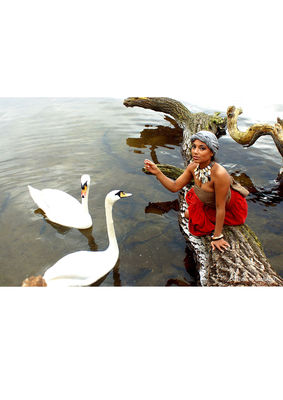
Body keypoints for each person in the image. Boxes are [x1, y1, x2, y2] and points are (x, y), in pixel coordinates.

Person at [144, 130, 248, 252]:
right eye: (194, 147)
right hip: (209, 199)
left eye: (202, 148)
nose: (195, 151)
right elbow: (174, 186)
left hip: (229, 207)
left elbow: (221, 207)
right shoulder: (193, 166)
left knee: (190, 217)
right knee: (188, 213)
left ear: (211, 152)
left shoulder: (219, 174)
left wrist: (217, 236)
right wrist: (158, 172)